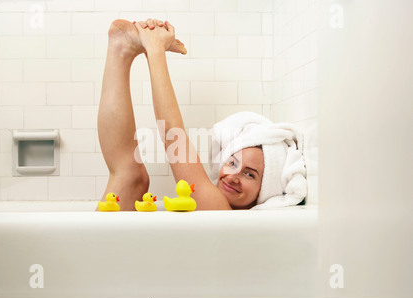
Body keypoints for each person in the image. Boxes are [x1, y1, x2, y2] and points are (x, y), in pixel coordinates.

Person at [97, 19, 306, 211]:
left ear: (265, 190)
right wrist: (153, 49)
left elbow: (172, 135)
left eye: (250, 174)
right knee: (131, 176)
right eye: (233, 163)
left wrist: (155, 48)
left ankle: (120, 50)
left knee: (128, 174)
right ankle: (120, 50)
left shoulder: (218, 208)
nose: (233, 176)